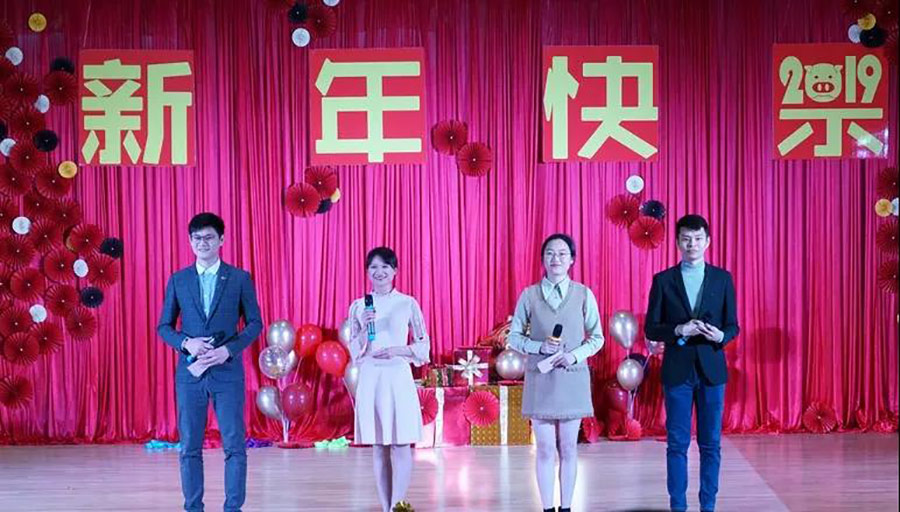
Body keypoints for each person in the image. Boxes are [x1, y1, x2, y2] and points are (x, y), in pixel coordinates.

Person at [157, 212, 263, 512]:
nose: (203, 243)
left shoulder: (239, 278)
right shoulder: (178, 280)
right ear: (190, 241)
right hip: (190, 375)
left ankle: (233, 508)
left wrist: (229, 350)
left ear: (221, 240)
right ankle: (193, 507)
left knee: (234, 445)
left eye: (209, 237)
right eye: (197, 238)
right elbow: (164, 327)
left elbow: (255, 323)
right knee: (189, 447)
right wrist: (185, 343)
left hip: (227, 373)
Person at [644, 214, 739, 512]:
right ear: (677, 242)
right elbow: (651, 328)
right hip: (678, 371)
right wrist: (678, 329)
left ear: (707, 242)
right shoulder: (663, 280)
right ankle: (678, 506)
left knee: (711, 444)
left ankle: (708, 506)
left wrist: (721, 335)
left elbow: (733, 325)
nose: (692, 244)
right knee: (677, 444)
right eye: (686, 239)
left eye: (698, 239)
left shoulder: (722, 279)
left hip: (712, 370)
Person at [507, 233, 605, 512]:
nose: (556, 259)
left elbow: (597, 338)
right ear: (542, 259)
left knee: (569, 448)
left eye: (562, 254)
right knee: (545, 449)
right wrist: (539, 347)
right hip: (541, 379)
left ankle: (566, 507)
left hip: (572, 378)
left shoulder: (583, 294)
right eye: (550, 253)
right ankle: (547, 507)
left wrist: (574, 355)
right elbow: (514, 337)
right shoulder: (529, 295)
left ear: (572, 260)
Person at [347, 247, 430, 512]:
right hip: (372, 377)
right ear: (367, 272)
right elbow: (354, 351)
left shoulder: (407, 303)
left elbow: (423, 347)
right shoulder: (359, 306)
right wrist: (364, 326)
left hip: (397, 375)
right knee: (379, 445)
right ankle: (386, 506)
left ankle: (397, 505)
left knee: (401, 442)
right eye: (373, 267)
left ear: (395, 271)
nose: (379, 272)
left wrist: (397, 350)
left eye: (385, 266)